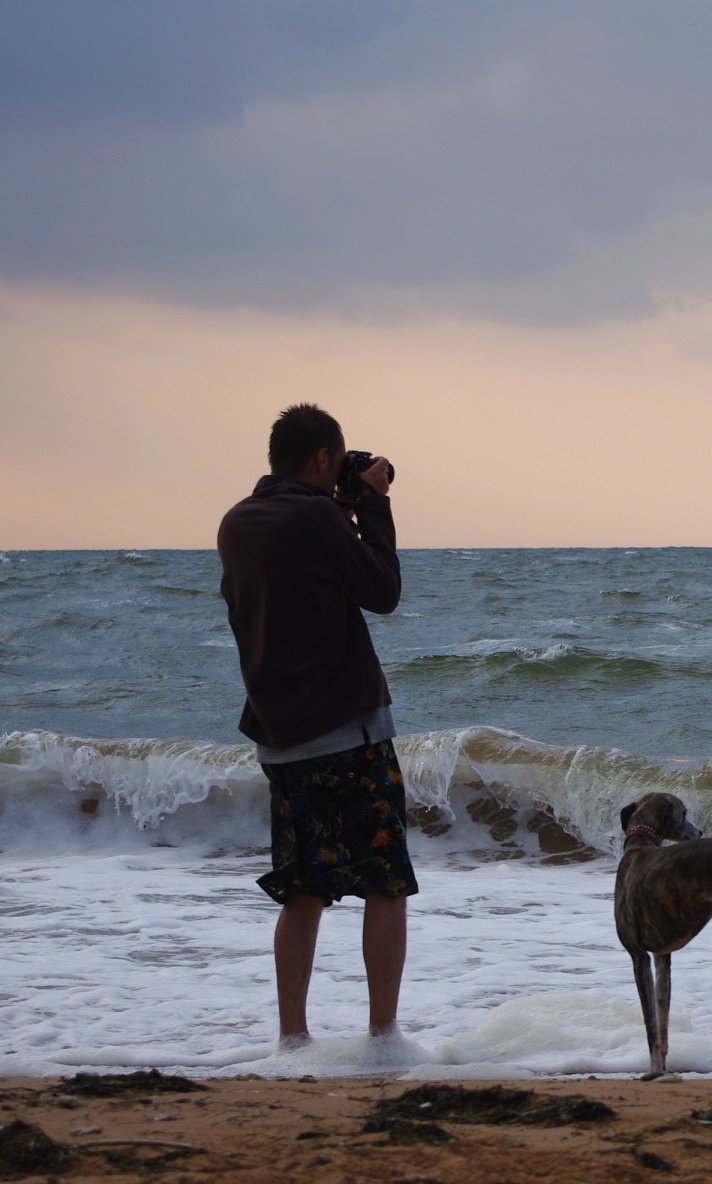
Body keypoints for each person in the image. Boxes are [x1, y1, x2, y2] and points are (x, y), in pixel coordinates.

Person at [217, 403, 415, 1047]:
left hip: (280, 739)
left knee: (302, 889)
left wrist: (344, 507)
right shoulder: (319, 516)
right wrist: (374, 505)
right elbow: (382, 591)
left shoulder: (238, 523)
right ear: (323, 459)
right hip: (349, 732)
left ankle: (292, 1040)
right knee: (384, 883)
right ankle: (383, 1036)